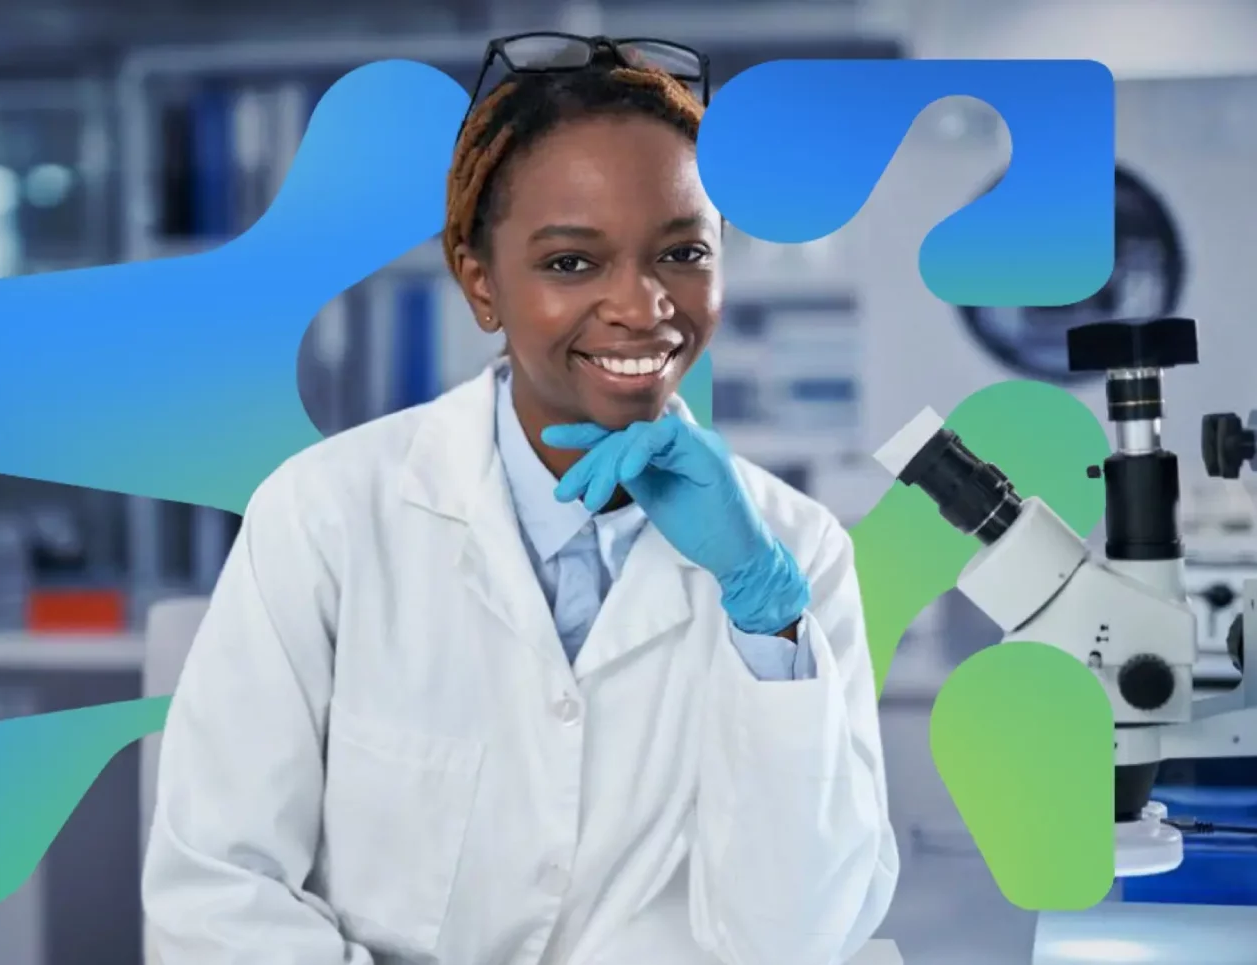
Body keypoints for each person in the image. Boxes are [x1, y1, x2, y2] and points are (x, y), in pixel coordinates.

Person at [141, 35, 899, 965]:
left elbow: (797, 938)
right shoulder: (327, 517)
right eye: (572, 263)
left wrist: (766, 621)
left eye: (683, 251)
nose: (642, 304)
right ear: (480, 282)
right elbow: (217, 894)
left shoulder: (792, 553)